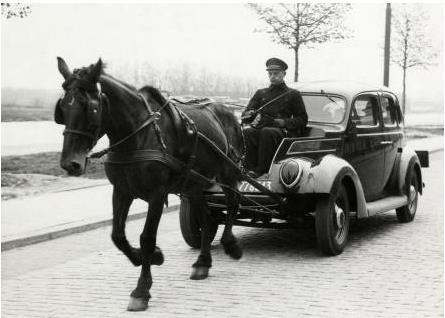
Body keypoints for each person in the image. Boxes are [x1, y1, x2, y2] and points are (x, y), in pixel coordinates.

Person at [241, 58, 308, 178]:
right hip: (262, 127)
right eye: (270, 74)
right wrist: (250, 114)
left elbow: (302, 119)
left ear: (284, 74)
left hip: (282, 132)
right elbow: (245, 115)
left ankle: (262, 170)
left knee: (267, 132)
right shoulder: (261, 93)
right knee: (248, 131)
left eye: (276, 73)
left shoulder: (293, 94)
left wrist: (283, 122)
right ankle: (248, 168)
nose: (273, 76)